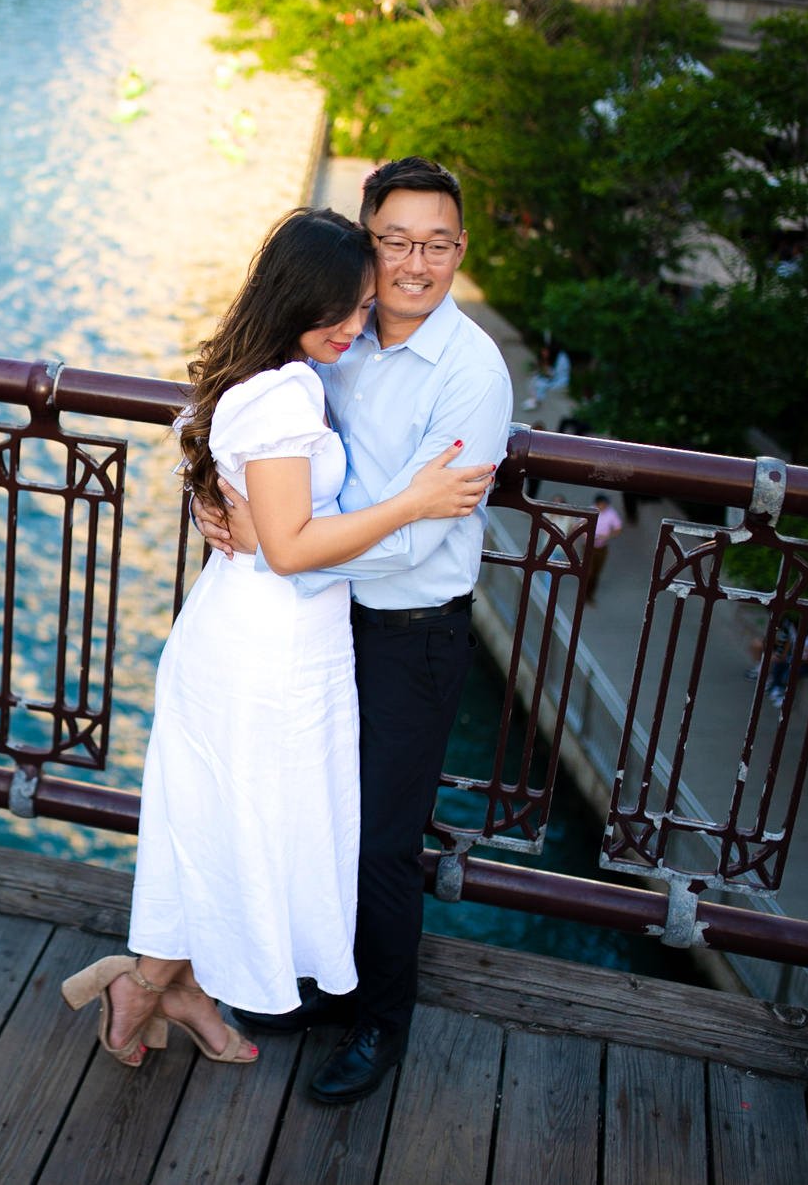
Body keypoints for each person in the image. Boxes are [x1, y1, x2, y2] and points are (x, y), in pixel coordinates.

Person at [62, 208, 494, 1070]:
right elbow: (293, 548)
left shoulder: (270, 370)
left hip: (262, 629)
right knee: (246, 825)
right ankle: (152, 986)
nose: (354, 327)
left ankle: (165, 986)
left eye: (362, 309)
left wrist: (240, 512)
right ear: (299, 298)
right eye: (343, 310)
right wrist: (413, 502)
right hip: (267, 646)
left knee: (226, 821)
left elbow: (268, 524)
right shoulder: (290, 388)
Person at [198, 158, 512, 1104]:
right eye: (398, 241)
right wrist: (219, 504)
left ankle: (382, 1020)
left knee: (380, 841)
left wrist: (282, 547)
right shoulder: (333, 331)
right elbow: (237, 424)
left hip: (411, 632)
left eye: (438, 244)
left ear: (460, 250)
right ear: (368, 239)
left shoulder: (473, 374)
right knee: (315, 816)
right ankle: (325, 986)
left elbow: (423, 537)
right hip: (320, 630)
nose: (416, 263)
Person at [584, 494, 623, 605]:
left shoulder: (611, 513)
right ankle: (584, 594)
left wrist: (608, 536)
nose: (604, 506)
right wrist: (586, 535)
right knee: (589, 572)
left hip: (602, 547)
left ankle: (590, 595)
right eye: (602, 504)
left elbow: (618, 528)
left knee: (596, 573)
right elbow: (580, 525)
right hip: (589, 546)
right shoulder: (590, 510)